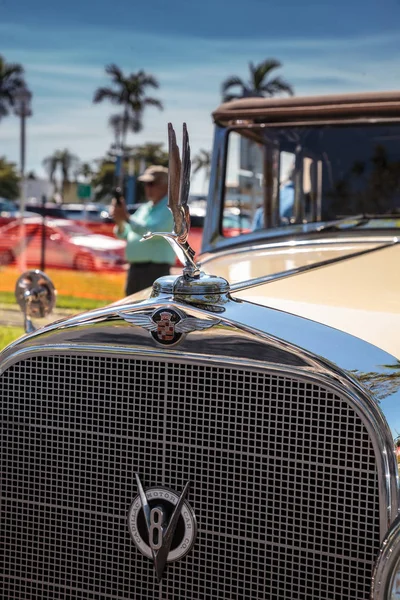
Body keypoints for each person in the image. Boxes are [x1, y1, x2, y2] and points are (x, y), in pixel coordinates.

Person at [110, 165, 175, 295]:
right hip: (135, 269)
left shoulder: (171, 209)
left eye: (151, 184)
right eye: (146, 184)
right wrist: (119, 220)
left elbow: (154, 233)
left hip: (155, 271)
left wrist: (126, 218)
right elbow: (125, 233)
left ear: (166, 185)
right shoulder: (145, 208)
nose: (147, 188)